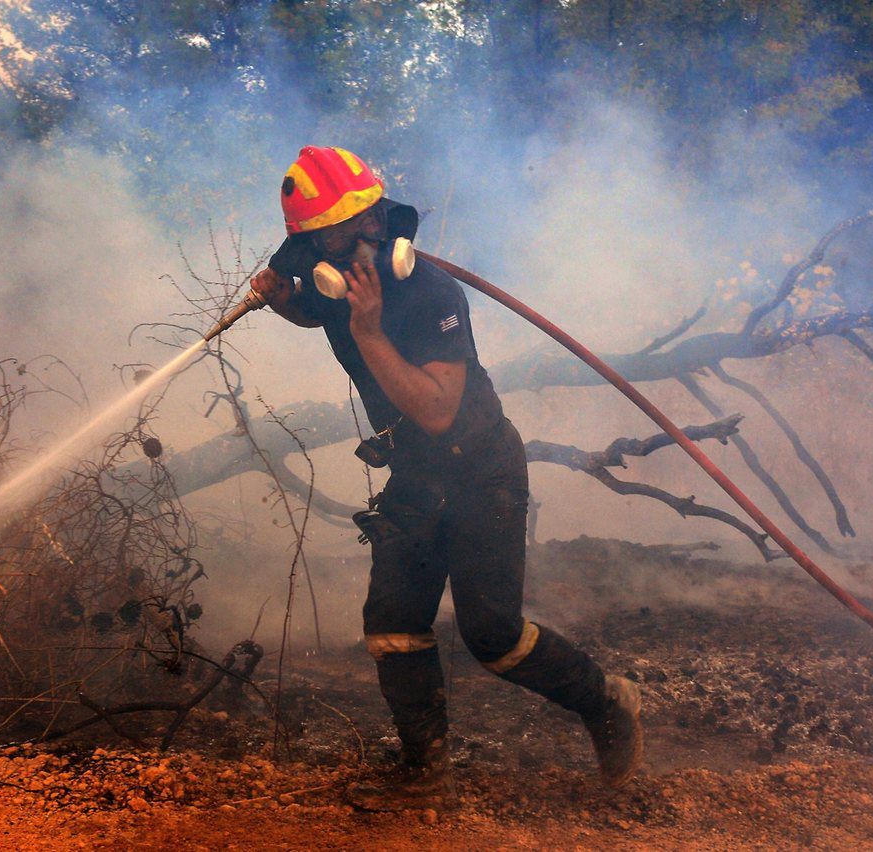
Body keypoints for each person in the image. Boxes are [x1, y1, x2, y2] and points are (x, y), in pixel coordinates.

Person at [250, 146, 642, 811]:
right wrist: (283, 301)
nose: (327, 249)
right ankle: (425, 772)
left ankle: (608, 703)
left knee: (492, 636)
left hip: (480, 471)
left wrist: (370, 332)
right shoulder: (338, 285)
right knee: (393, 624)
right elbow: (320, 314)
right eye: (313, 240)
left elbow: (436, 411)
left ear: (373, 220)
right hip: (414, 478)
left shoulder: (431, 292)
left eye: (335, 233)